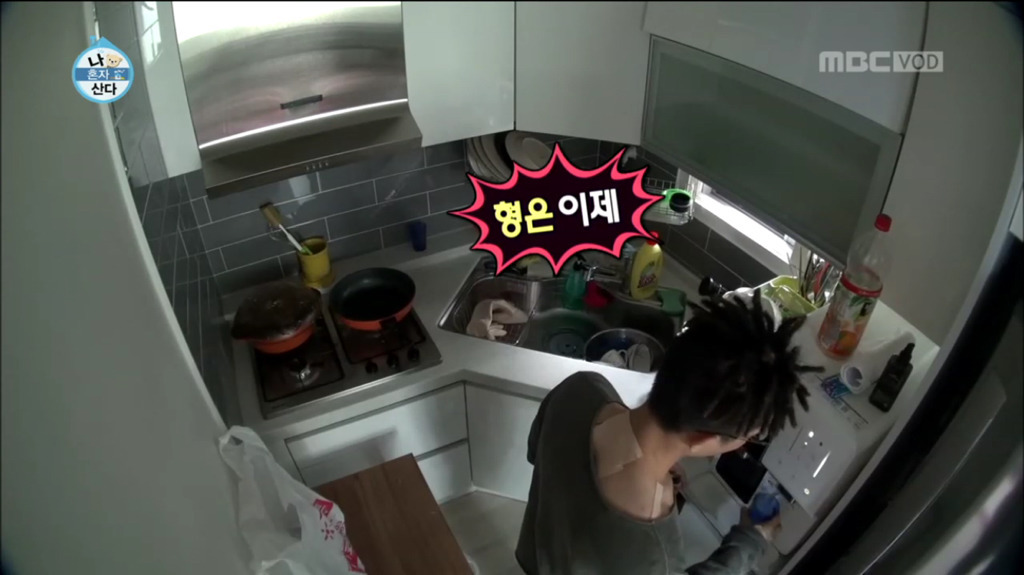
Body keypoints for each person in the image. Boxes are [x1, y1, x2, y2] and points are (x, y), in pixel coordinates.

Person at [515, 290, 821, 574]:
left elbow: (538, 452)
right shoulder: (654, 550)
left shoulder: (582, 386)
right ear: (703, 439)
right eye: (749, 437)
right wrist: (750, 541)